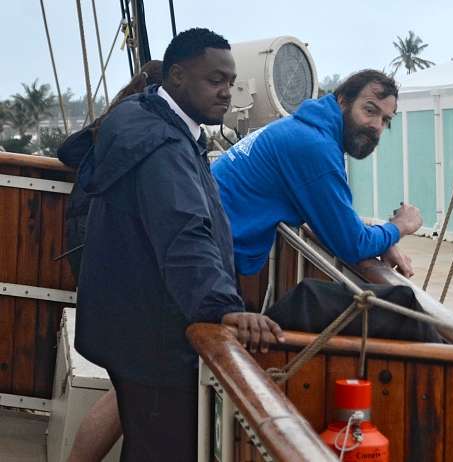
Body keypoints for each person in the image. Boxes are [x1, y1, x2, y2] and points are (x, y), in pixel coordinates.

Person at [73, 28, 283, 462]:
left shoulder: (151, 121)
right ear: (177, 76)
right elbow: (182, 233)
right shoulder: (162, 145)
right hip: (154, 337)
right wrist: (221, 306)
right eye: (214, 80)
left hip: (133, 324)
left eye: (230, 81)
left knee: (147, 444)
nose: (226, 92)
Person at [211, 70, 422, 279]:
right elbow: (353, 244)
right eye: (369, 110)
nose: (377, 126)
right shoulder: (315, 147)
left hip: (203, 245)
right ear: (342, 101)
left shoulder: (303, 129)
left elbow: (337, 218)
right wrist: (399, 226)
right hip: (204, 260)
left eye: (385, 120)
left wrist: (384, 240)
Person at [58, 60, 164, 279]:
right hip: (111, 228)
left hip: (82, 226)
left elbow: (68, 151)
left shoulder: (114, 119)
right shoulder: (153, 125)